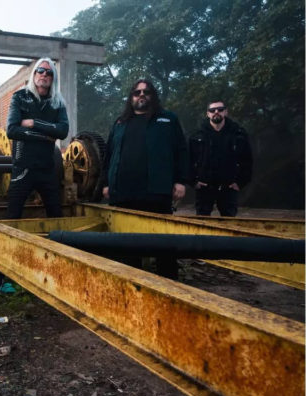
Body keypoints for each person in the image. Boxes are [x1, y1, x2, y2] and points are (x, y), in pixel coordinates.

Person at [0, 57, 69, 292]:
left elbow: (63, 131)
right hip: (22, 169)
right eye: (40, 71)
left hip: (47, 169)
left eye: (49, 72)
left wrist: (33, 123)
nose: (44, 75)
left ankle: (60, 271)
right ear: (34, 75)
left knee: (56, 218)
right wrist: (46, 135)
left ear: (53, 78)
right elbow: (12, 130)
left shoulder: (57, 102)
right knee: (12, 220)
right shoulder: (20, 97)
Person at [100, 79, 188, 279]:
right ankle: (132, 282)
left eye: (146, 92)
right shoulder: (120, 122)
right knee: (128, 245)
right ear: (131, 97)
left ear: (152, 96)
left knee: (163, 243)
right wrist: (106, 183)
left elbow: (181, 151)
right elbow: (109, 154)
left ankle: (169, 285)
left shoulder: (168, 119)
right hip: (124, 193)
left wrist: (180, 181)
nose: (141, 95)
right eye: (137, 92)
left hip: (156, 192)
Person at [189, 101, 252, 216]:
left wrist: (240, 182)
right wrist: (193, 181)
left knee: (228, 222)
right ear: (208, 113)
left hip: (228, 187)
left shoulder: (238, 133)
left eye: (220, 109)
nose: (216, 112)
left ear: (226, 112)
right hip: (204, 187)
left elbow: (247, 160)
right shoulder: (197, 135)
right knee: (202, 222)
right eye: (212, 110)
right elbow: (188, 159)